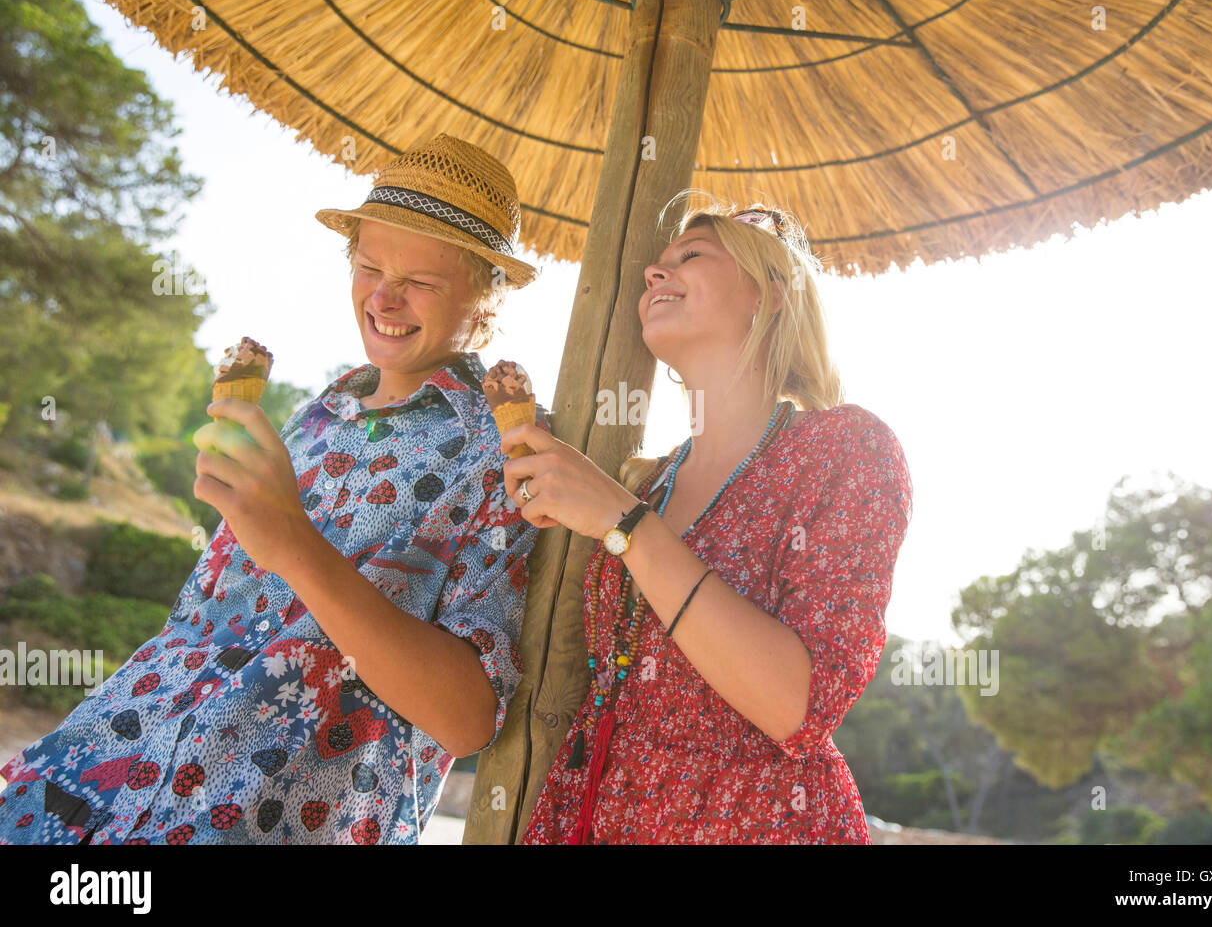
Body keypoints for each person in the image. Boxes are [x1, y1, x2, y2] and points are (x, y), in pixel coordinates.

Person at [0, 134, 545, 844]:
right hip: (95, 773)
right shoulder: (312, 417)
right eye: (369, 265)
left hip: (258, 814)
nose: (383, 295)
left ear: (487, 297)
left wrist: (292, 541)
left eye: (421, 281)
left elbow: (466, 717)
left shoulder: (504, 455)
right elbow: (202, 620)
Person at [507, 193, 913, 844]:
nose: (654, 273)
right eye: (655, 266)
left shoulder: (845, 449)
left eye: (690, 256)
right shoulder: (650, 479)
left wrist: (624, 522)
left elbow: (794, 707)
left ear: (771, 293)